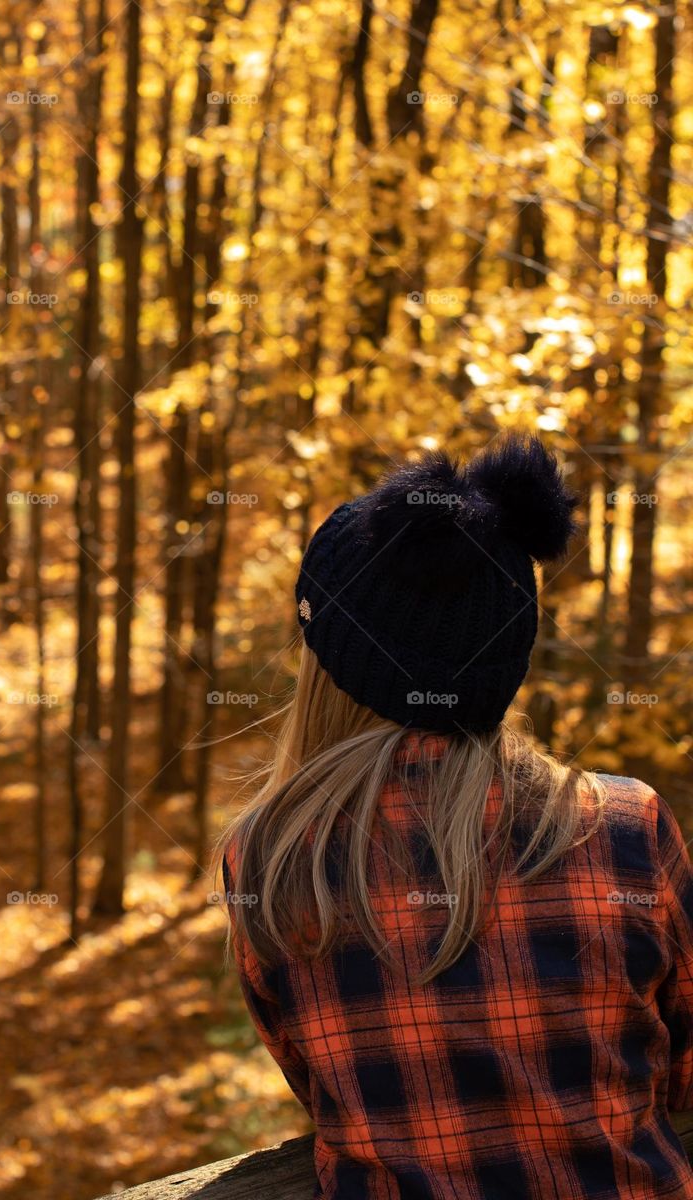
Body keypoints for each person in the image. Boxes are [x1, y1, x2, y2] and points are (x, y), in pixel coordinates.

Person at [218, 434, 693, 1199]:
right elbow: (677, 1070)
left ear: (330, 668)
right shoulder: (629, 829)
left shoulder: (274, 859)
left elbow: (320, 1088)